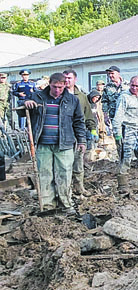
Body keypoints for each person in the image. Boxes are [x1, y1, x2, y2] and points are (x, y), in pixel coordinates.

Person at [19, 73, 86, 214]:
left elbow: (79, 121)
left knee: (64, 175)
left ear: (65, 86)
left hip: (65, 144)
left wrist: (82, 140)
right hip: (43, 143)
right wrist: (25, 104)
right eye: (55, 87)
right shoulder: (38, 97)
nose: (57, 90)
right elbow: (21, 111)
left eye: (60, 87)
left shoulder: (72, 100)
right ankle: (48, 206)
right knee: (45, 175)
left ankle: (65, 205)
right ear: (49, 84)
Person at [63, 69, 97, 197]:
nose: (67, 80)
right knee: (64, 164)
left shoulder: (81, 97)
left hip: (77, 135)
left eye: (69, 78)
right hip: (63, 135)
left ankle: (79, 187)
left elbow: (88, 114)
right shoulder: (58, 95)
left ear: (75, 79)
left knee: (78, 162)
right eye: (65, 78)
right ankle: (66, 190)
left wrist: (92, 128)